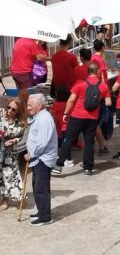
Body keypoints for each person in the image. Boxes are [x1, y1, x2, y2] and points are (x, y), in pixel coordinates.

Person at [53, 63, 112, 176]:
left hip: (77, 116)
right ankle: (88, 168)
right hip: (92, 117)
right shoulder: (103, 86)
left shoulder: (80, 84)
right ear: (97, 72)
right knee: (89, 141)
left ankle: (59, 165)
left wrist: (66, 113)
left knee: (69, 139)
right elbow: (108, 102)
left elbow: (71, 100)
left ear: (87, 72)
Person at [25, 94, 57, 226]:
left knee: (41, 188)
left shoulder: (44, 119)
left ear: (39, 105)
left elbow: (42, 143)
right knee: (36, 186)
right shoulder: (39, 117)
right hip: (38, 158)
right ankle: (41, 211)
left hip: (42, 159)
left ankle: (45, 217)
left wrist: (31, 154)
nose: (27, 108)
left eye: (30, 105)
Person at [0, 98, 27, 210]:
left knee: (8, 176)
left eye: (13, 109)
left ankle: (5, 199)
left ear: (18, 111)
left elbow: (21, 138)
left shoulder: (20, 124)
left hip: (9, 154)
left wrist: (14, 140)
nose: (10, 111)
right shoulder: (1, 115)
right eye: (8, 107)